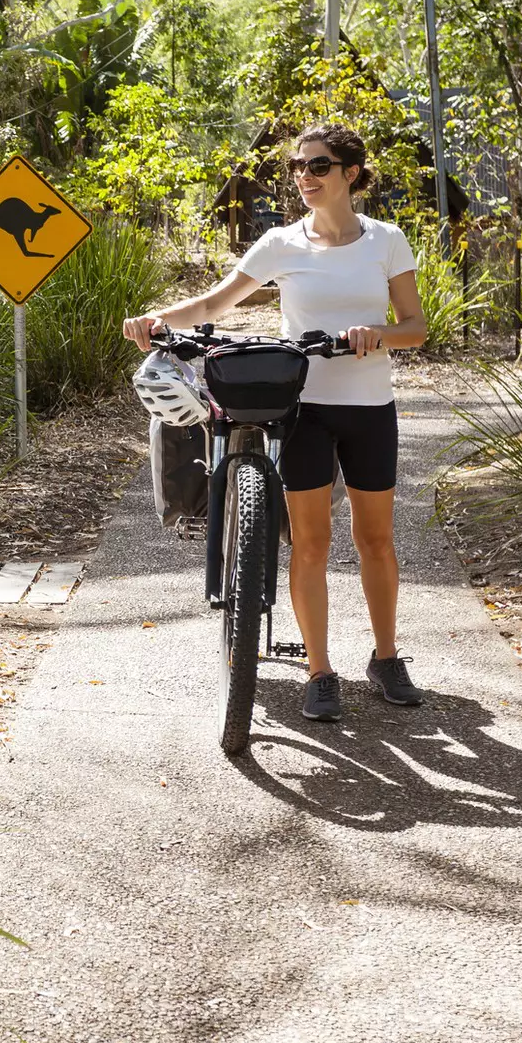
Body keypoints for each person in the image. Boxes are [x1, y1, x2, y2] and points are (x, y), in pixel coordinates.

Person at [121, 123, 428, 721]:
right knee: (310, 543)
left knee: (376, 541)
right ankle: (320, 670)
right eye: (297, 167)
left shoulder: (386, 241)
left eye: (317, 166)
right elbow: (215, 303)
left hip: (370, 408)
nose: (304, 177)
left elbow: (414, 326)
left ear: (351, 174)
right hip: (303, 410)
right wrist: (157, 317)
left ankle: (386, 657)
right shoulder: (282, 243)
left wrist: (377, 334)